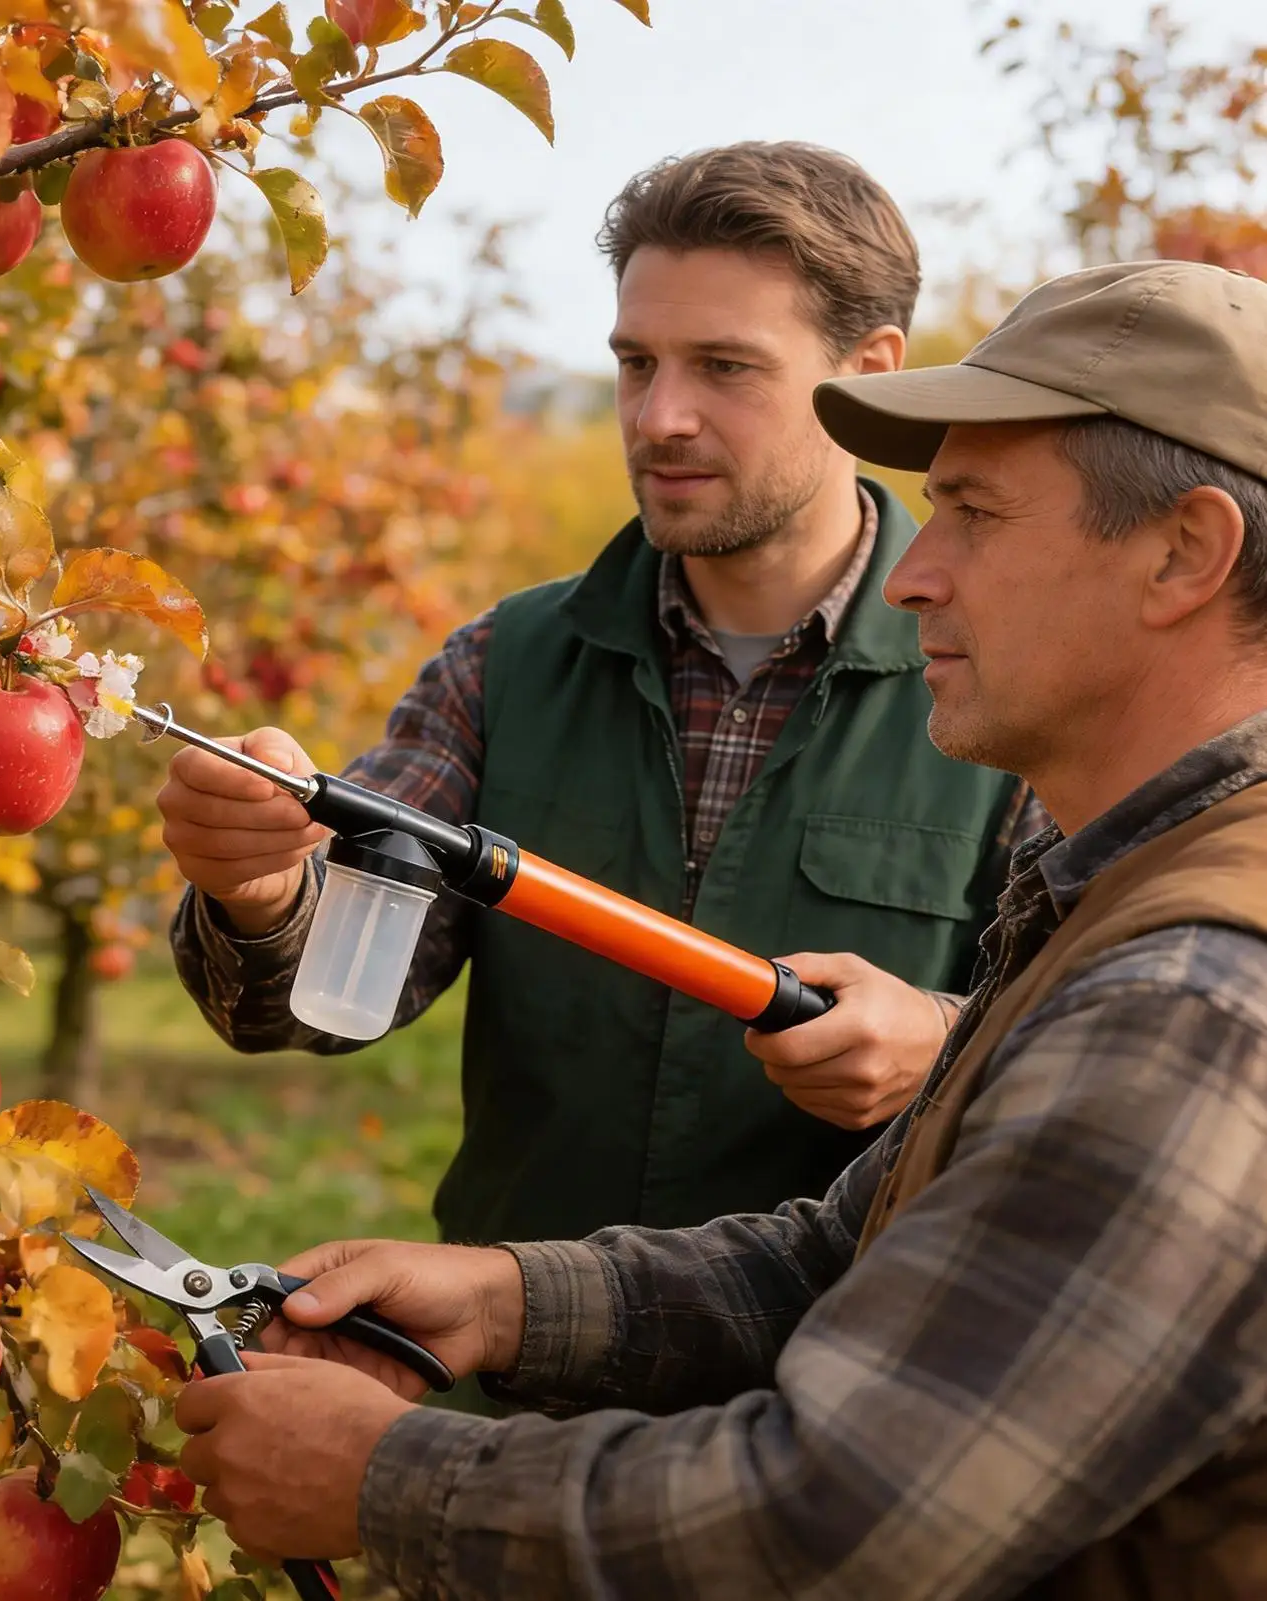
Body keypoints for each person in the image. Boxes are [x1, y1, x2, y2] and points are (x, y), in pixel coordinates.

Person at [173, 258, 1267, 1599]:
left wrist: (385, 1477)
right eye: (635, 364)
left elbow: (849, 1524)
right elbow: (835, 1252)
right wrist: (506, 1298)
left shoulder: (1196, 996)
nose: (921, 576)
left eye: (975, 514)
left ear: (1184, 551)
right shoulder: (1120, 878)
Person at [160, 142, 1041, 1258]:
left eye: (723, 366)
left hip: (823, 1392)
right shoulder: (505, 663)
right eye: (635, 362)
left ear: (865, 372)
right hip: (503, 1367)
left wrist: (949, 1037)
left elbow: (1110, 1029)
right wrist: (257, 886)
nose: (658, 415)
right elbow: (306, 1002)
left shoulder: (1007, 687)